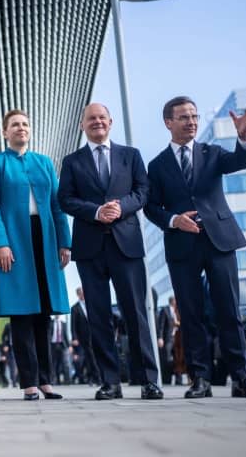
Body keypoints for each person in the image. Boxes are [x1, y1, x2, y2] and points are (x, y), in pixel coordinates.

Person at [144, 95, 246, 399]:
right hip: (182, 246)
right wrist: (174, 220)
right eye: (184, 117)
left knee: (228, 310)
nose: (192, 122)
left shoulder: (213, 153)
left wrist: (243, 136)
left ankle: (241, 378)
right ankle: (201, 379)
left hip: (220, 240)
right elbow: (150, 207)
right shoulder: (157, 165)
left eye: (194, 116)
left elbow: (241, 160)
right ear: (168, 122)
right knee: (191, 313)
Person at [58, 103, 163, 401]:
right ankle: (110, 381)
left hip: (126, 245)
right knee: (99, 316)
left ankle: (148, 381)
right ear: (83, 125)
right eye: (91, 119)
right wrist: (95, 211)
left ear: (111, 122)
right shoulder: (72, 161)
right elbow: (65, 199)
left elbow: (143, 191)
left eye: (102, 118)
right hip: (90, 248)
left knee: (135, 313)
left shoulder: (131, 156)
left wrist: (120, 208)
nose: (97, 122)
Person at [0, 109, 71, 400]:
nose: (21, 129)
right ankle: (29, 383)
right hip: (15, 241)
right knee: (21, 313)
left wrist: (64, 243)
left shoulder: (44, 163)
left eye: (25, 124)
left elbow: (58, 206)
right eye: (15, 125)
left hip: (45, 240)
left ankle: (46, 381)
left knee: (44, 313)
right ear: (5, 132)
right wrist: (0, 243)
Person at [71, 287, 100, 385]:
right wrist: (74, 338)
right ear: (78, 295)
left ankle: (94, 377)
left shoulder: (91, 304)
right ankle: (95, 377)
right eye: (80, 293)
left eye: (83, 293)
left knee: (94, 356)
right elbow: (73, 324)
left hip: (94, 334)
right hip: (83, 337)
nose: (82, 295)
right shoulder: (75, 308)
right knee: (89, 357)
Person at [157, 296, 178, 385]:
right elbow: (161, 326)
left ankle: (179, 380)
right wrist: (160, 337)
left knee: (178, 358)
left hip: (177, 338)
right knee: (167, 359)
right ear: (172, 301)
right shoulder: (165, 310)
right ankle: (166, 379)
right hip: (168, 338)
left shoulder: (177, 311)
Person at [49, 315, 71, 385]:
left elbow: (66, 335)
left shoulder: (63, 323)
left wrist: (69, 346)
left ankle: (67, 380)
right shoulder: (51, 322)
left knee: (65, 363)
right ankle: (54, 380)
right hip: (53, 345)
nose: (57, 315)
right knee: (53, 363)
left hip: (62, 345)